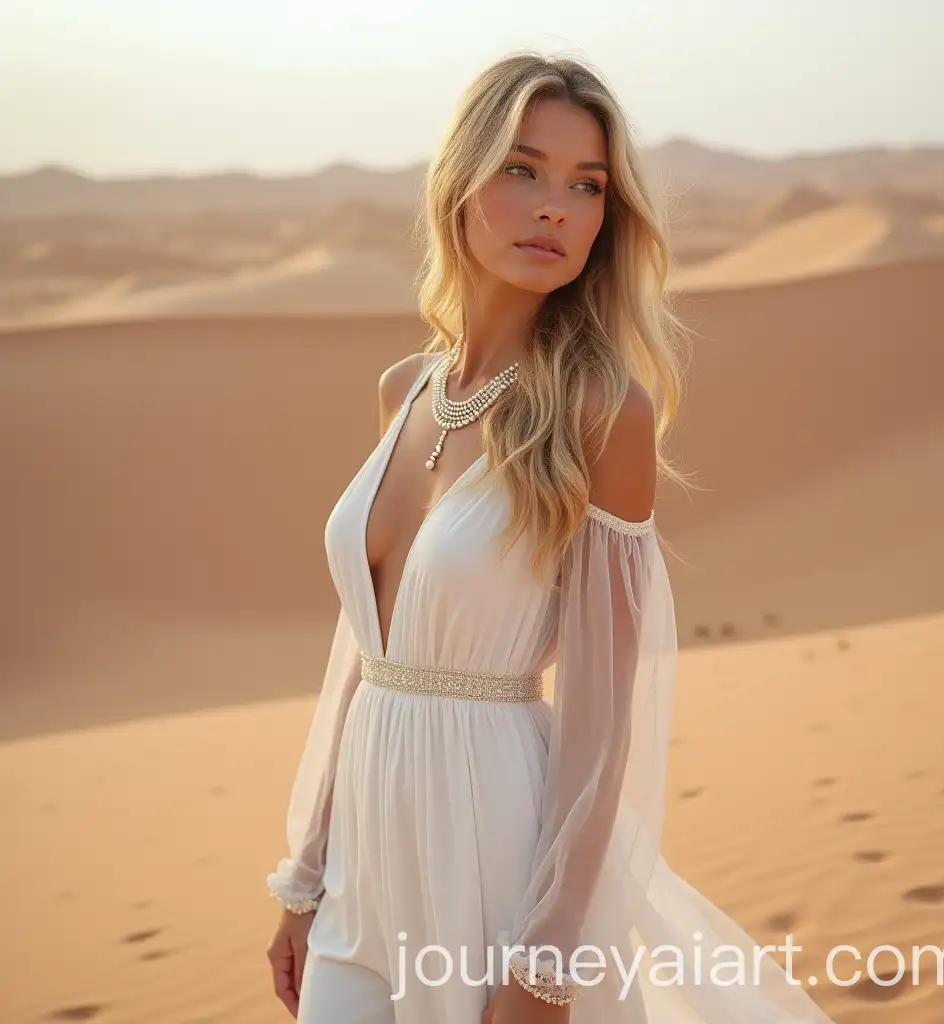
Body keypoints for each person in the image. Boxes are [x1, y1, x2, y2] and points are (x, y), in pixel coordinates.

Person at [265, 51, 836, 1024]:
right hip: (363, 856)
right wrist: (305, 875)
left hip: (494, 852)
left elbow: (601, 725)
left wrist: (545, 964)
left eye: (586, 186)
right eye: (523, 169)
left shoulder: (602, 412)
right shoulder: (405, 392)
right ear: (462, 180)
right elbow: (365, 650)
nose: (554, 208)